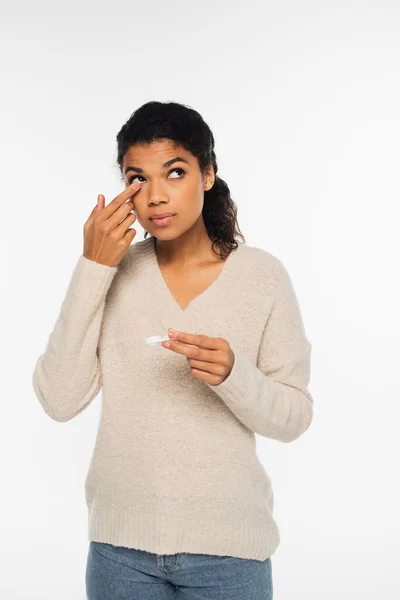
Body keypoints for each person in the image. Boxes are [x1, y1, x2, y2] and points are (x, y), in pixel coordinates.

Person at [32, 100, 314, 599]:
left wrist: (234, 375)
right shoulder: (110, 273)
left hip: (229, 554)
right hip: (119, 553)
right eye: (137, 179)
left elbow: (293, 418)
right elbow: (59, 400)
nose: (156, 196)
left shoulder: (261, 277)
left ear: (208, 175)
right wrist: (93, 265)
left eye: (175, 172)